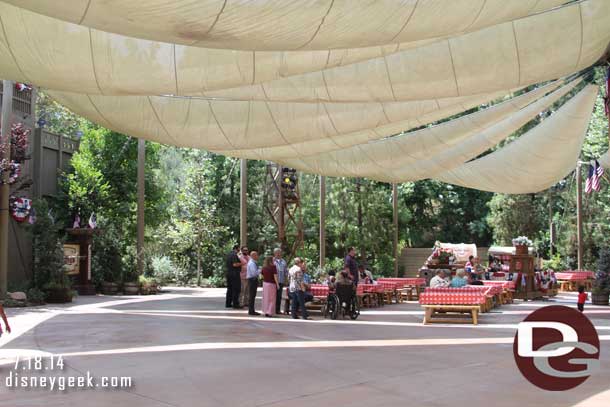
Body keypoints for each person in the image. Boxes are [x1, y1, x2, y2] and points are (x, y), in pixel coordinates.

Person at [225, 244, 242, 309]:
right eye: (239, 249)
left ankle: (228, 303)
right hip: (234, 274)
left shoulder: (229, 254)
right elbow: (234, 264)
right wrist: (241, 263)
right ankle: (235, 304)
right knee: (236, 289)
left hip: (229, 273)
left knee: (230, 289)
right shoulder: (234, 255)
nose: (239, 250)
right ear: (236, 249)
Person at [273, 248, 288, 314]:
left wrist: (286, 279)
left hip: (281, 281)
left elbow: (285, 271)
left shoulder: (283, 261)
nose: (279, 254)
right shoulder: (272, 261)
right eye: (277, 252)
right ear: (274, 253)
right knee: (273, 296)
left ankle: (277, 310)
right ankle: (272, 309)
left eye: (280, 252)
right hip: (273, 281)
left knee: (279, 296)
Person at [246, 251, 261, 316]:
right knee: (252, 295)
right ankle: (251, 310)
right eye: (257, 255)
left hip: (253, 280)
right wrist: (260, 270)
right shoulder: (252, 263)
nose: (257, 256)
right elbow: (254, 273)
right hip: (252, 280)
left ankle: (252, 310)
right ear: (253, 256)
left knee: (252, 295)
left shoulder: (253, 262)